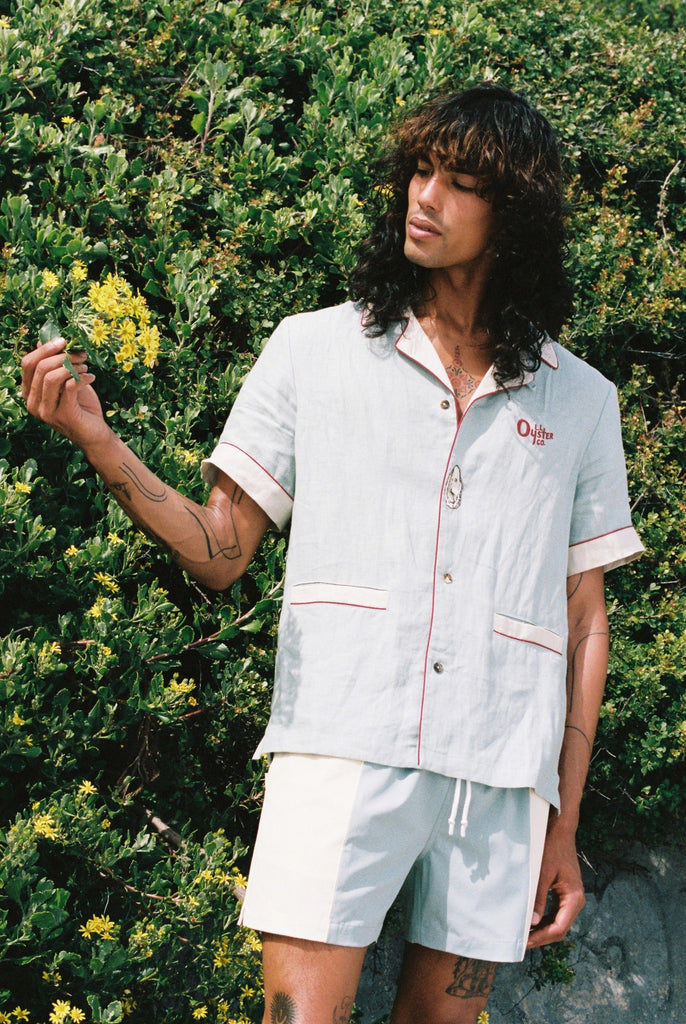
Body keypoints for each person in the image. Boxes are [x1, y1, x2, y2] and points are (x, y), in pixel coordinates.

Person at [21, 82, 643, 1024]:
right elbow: (224, 548)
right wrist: (100, 442)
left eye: (459, 181)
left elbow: (585, 620)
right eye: (419, 170)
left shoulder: (580, 400)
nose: (424, 195)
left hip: (498, 778)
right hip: (341, 745)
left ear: (512, 215)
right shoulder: (313, 351)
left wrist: (565, 820)